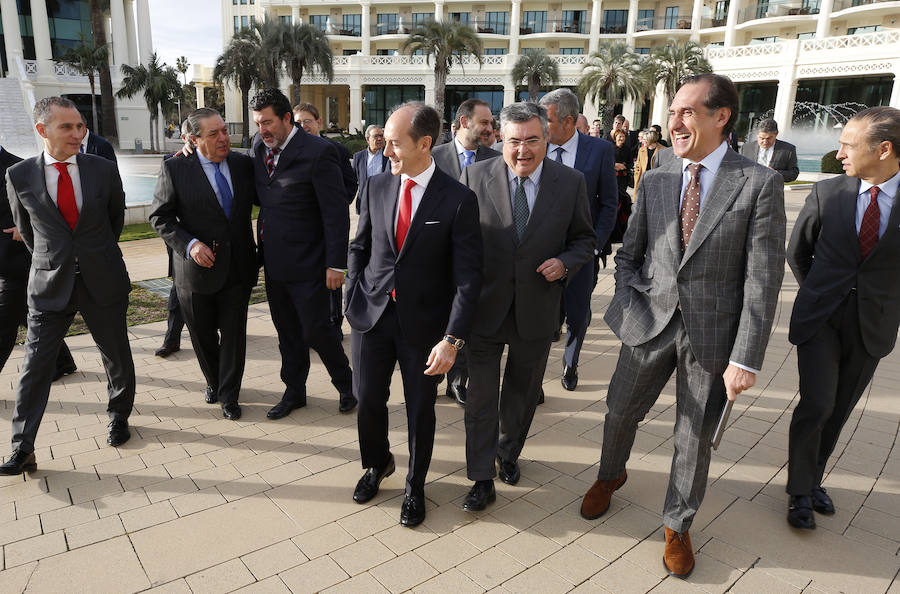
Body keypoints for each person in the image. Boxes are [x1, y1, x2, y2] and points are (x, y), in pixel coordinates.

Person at [579, 74, 786, 579]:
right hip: (648, 323)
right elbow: (630, 253)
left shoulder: (758, 183)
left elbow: (763, 277)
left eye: (688, 112)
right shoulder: (657, 177)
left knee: (692, 436)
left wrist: (746, 357)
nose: (675, 122)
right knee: (619, 410)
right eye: (673, 112)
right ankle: (610, 475)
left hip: (712, 335)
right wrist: (630, 303)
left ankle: (677, 524)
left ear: (721, 117)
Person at [346, 102, 483, 527]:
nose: (386, 151)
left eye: (393, 143)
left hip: (424, 329)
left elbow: (468, 279)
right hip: (371, 317)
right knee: (367, 399)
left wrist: (452, 339)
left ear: (424, 143)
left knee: (419, 410)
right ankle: (377, 463)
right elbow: (360, 247)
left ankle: (414, 485)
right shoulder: (375, 187)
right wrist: (352, 297)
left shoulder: (459, 200)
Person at [459, 102, 595, 511]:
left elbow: (585, 240)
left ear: (547, 138)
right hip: (484, 310)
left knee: (521, 394)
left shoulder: (570, 183)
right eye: (514, 141)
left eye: (532, 140)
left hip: (537, 309)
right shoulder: (474, 176)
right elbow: (460, 242)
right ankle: (481, 476)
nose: (523, 150)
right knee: (480, 398)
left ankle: (507, 453)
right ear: (499, 138)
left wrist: (565, 263)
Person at [0, 97, 137, 475]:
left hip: (103, 279)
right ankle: (22, 446)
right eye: (67, 127)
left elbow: (115, 222)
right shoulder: (19, 175)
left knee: (116, 355)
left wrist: (93, 256)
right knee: (34, 366)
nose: (78, 133)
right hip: (48, 285)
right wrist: (55, 259)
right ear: (42, 130)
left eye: (80, 126)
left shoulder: (103, 170)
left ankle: (119, 416)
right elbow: (27, 233)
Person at [785, 106, 900, 530]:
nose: (840, 152)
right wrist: (819, 290)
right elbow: (798, 251)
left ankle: (814, 479)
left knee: (839, 408)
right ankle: (798, 492)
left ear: (884, 149)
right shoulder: (827, 193)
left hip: (872, 325)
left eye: (849, 145)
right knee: (817, 402)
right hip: (820, 319)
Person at [249, 89, 355, 419]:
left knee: (315, 330)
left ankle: (347, 384)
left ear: (285, 119)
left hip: (310, 261)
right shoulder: (258, 147)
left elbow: (335, 212)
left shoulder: (319, 152)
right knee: (287, 332)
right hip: (275, 261)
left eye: (267, 122)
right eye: (257, 123)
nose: (262, 130)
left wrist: (336, 263)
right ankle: (294, 391)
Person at [149, 108, 258, 420]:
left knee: (234, 336)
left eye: (224, 131)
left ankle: (229, 395)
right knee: (203, 334)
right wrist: (190, 245)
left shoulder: (242, 164)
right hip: (195, 273)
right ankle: (213, 380)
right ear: (193, 140)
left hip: (238, 266)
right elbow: (160, 217)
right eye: (214, 134)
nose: (224, 138)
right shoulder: (175, 168)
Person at [540, 89, 617, 391]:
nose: (540, 128)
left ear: (568, 121)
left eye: (546, 121)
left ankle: (570, 364)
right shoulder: (538, 148)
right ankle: (535, 379)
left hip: (582, 253)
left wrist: (595, 245)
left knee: (578, 313)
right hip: (542, 252)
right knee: (544, 317)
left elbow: (610, 203)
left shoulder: (598, 150)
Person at [432, 98, 500, 407]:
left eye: (491, 123)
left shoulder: (497, 159)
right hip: (438, 256)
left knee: (467, 318)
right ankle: (434, 371)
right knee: (439, 316)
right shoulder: (433, 157)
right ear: (463, 122)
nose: (490, 128)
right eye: (484, 122)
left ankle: (458, 380)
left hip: (480, 256)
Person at [0, 146, 77, 381]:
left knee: (3, 321)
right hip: (4, 262)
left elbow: (51, 209)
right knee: (26, 312)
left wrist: (27, 229)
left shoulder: (20, 167)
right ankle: (62, 361)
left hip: (19, 260)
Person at [293, 103, 358, 339]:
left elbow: (351, 183)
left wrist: (336, 206)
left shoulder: (335, 150)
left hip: (328, 230)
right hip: (303, 235)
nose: (303, 126)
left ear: (318, 123)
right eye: (298, 122)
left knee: (331, 278)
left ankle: (334, 324)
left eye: (307, 121)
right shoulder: (291, 151)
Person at [155, 119, 192, 359]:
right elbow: (162, 205)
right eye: (189, 134)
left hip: (213, 240)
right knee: (178, 290)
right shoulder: (171, 162)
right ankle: (172, 339)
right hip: (180, 240)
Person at [740, 118, 800, 183]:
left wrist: (776, 173)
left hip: (773, 191)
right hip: (749, 189)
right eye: (762, 138)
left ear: (776, 134)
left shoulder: (788, 149)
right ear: (757, 135)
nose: (765, 142)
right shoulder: (746, 148)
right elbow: (738, 170)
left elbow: (793, 174)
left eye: (769, 138)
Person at [351, 125, 389, 214]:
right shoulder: (358, 157)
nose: (379, 139)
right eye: (376, 136)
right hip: (365, 201)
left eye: (381, 136)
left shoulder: (389, 156)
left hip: (384, 201)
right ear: (368, 139)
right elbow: (352, 181)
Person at [633, 128, 661, 192]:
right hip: (642, 181)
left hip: (656, 183)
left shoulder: (663, 150)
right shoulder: (641, 150)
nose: (642, 141)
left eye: (644, 139)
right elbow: (638, 166)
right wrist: (636, 177)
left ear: (650, 140)